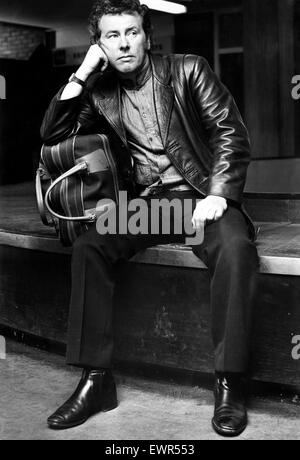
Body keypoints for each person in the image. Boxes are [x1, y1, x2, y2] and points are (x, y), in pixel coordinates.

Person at [40, 0, 258, 437]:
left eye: (132, 32)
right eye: (111, 35)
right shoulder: (99, 89)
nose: (124, 43)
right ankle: (96, 380)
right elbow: (53, 134)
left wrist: (218, 194)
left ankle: (231, 382)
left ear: (147, 35)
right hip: (151, 205)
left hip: (199, 199)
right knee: (90, 245)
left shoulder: (188, 69)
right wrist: (82, 72)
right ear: (99, 44)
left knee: (236, 249)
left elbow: (229, 131)